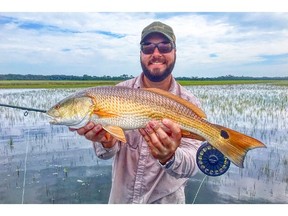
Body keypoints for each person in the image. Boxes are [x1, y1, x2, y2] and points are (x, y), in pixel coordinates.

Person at [73, 21, 203, 204]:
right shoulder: (117, 93)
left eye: (164, 46)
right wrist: (107, 141)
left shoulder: (189, 103)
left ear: (175, 51)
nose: (156, 53)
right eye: (148, 47)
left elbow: (192, 165)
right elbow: (105, 154)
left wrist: (170, 157)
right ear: (140, 53)